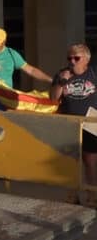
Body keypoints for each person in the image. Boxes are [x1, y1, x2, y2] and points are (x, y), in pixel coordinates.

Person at [50, 43, 97, 185]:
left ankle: (92, 195)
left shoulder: (94, 73)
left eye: (76, 58)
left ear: (86, 60)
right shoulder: (61, 74)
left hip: (90, 122)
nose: (72, 62)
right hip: (69, 123)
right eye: (69, 58)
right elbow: (53, 98)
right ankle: (72, 195)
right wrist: (62, 82)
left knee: (90, 160)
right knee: (71, 162)